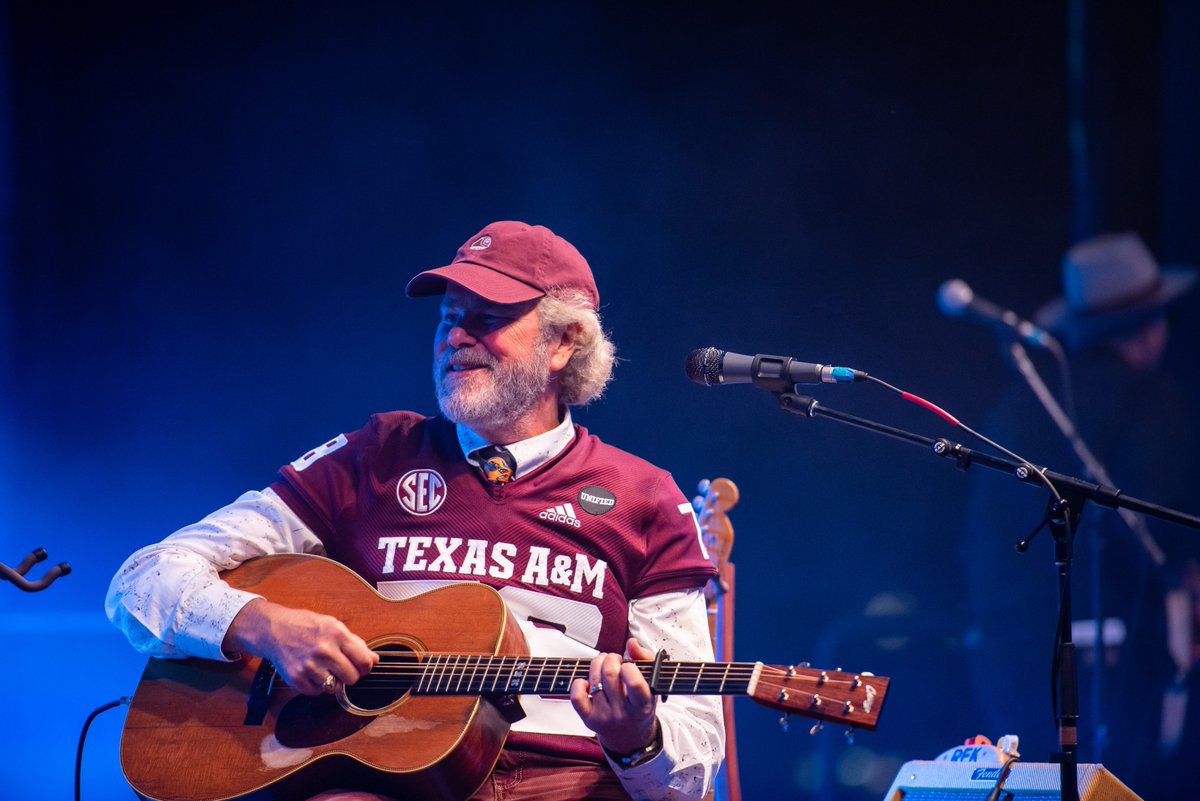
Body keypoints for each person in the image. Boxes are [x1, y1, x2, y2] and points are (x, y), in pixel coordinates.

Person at [106, 220, 725, 801]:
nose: (456, 336)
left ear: (564, 343)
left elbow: (692, 770)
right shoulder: (375, 455)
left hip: (569, 781)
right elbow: (142, 580)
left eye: (487, 318)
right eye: (449, 319)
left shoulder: (645, 495)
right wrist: (264, 625)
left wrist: (636, 738)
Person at [959, 232, 1198, 800]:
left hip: (1013, 658)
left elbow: (981, 544)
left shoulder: (1019, 406)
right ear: (1149, 327)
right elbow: (1168, 527)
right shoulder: (1157, 404)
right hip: (1124, 660)